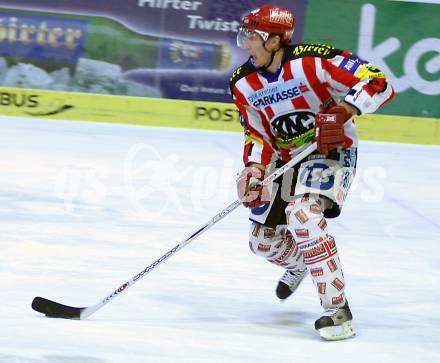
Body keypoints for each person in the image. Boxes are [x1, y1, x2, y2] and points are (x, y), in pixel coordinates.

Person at [230, 4, 394, 341]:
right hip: (285, 160)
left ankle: (338, 310)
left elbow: (378, 81)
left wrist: (343, 111)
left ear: (275, 41)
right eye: (244, 35)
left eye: (252, 37)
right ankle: (304, 260)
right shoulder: (243, 83)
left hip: (331, 152)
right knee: (262, 241)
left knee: (302, 214)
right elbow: (257, 134)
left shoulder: (315, 62)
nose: (245, 44)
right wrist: (254, 169)